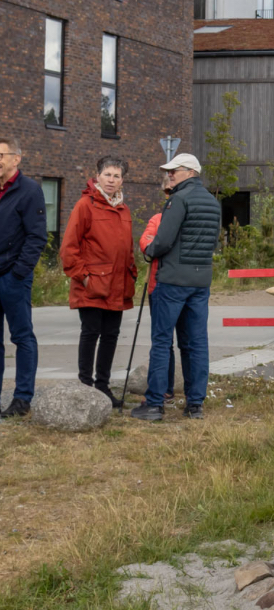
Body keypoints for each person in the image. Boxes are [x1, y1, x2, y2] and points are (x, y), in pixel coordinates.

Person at [130, 153, 220, 421]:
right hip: (200, 282)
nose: (169, 175)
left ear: (190, 172)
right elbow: (212, 242)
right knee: (196, 343)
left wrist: (148, 249)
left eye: (174, 171)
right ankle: (195, 405)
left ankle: (155, 404)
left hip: (172, 282)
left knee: (161, 341)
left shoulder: (178, 200)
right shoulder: (214, 203)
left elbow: (163, 241)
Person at [59, 156, 137, 406]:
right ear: (97, 176)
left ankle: (103, 388)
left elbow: (128, 248)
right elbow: (69, 249)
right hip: (92, 285)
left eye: (116, 176)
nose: (112, 180)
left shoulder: (124, 209)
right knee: (90, 333)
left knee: (111, 336)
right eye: (107, 175)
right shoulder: (85, 205)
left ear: (122, 180)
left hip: (118, 285)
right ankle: (85, 387)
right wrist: (84, 279)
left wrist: (132, 272)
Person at [0, 137, 47, 418]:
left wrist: (19, 272)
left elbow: (37, 236)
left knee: (22, 337)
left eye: (1, 154)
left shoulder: (29, 190)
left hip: (13, 277)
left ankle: (22, 399)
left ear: (16, 158)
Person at [140, 174, 190, 402]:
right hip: (158, 286)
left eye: (174, 191)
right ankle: (165, 388)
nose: (171, 196)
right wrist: (156, 247)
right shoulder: (158, 218)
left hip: (182, 284)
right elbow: (146, 241)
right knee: (163, 341)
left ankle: (185, 390)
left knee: (187, 341)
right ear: (164, 193)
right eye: (168, 192)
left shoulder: (188, 215)